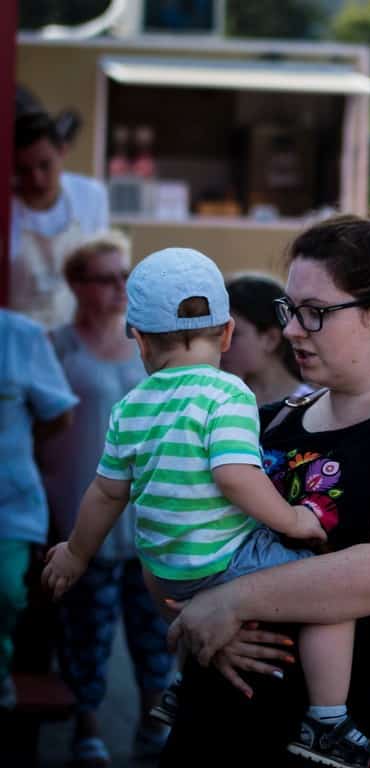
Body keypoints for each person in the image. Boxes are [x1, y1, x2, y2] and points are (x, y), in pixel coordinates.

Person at [154, 207, 370, 767]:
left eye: (315, 313)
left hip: (352, 741)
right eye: (290, 309)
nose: (292, 329)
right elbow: (169, 528)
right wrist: (199, 620)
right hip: (213, 731)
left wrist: (230, 601)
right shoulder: (266, 420)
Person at [40, 247, 370, 768]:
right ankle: (327, 721)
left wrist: (76, 554)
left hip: (165, 572)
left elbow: (106, 493)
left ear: (139, 339)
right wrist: (293, 520)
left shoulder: (130, 407)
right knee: (331, 592)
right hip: (221, 561)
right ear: (226, 334)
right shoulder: (226, 394)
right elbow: (235, 476)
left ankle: (185, 683)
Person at [36, 232, 173, 766]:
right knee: (85, 632)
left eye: (125, 276)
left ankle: (152, 723)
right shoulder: (54, 346)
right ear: (76, 284)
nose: (120, 287)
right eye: (106, 278)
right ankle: (87, 728)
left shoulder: (148, 344)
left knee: (155, 631)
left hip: (149, 518)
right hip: (82, 514)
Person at [0, 309, 78, 710]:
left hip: (8, 504)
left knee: (7, 590)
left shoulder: (21, 336)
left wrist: (17, 450)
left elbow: (59, 413)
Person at [11, 111, 108, 328]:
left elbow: (101, 267)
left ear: (62, 151)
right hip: (15, 336)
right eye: (24, 170)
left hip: (73, 331)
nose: (36, 179)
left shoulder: (90, 196)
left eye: (45, 165)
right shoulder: (7, 207)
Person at [222, 274, 314, 405]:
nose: (222, 345)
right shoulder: (221, 401)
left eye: (233, 334)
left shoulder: (309, 406)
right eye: (218, 334)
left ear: (271, 339)